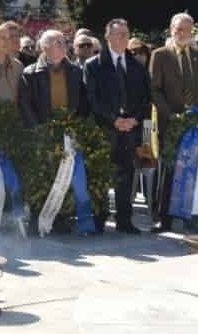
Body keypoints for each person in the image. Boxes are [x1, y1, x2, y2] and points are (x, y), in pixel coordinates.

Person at [149, 12, 198, 232]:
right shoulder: (160, 55)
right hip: (170, 122)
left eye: (185, 30)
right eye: (177, 29)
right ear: (171, 30)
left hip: (195, 124)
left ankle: (191, 218)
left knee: (194, 169)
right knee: (167, 171)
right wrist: (171, 115)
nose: (181, 33)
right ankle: (162, 218)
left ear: (192, 31)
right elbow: (154, 90)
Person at [84, 19, 151, 234]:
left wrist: (135, 119)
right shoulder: (93, 65)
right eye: (117, 34)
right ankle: (99, 219)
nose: (122, 38)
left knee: (127, 175)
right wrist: (113, 120)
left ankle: (124, 220)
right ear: (107, 37)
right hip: (106, 128)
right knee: (102, 175)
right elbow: (92, 99)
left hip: (131, 129)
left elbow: (145, 99)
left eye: (125, 34)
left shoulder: (137, 66)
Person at [18, 30, 87, 128]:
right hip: (43, 130)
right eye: (58, 43)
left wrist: (78, 124)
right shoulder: (29, 73)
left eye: (65, 42)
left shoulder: (76, 71)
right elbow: (26, 105)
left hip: (71, 128)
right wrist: (38, 129)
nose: (64, 46)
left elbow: (83, 101)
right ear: (44, 47)